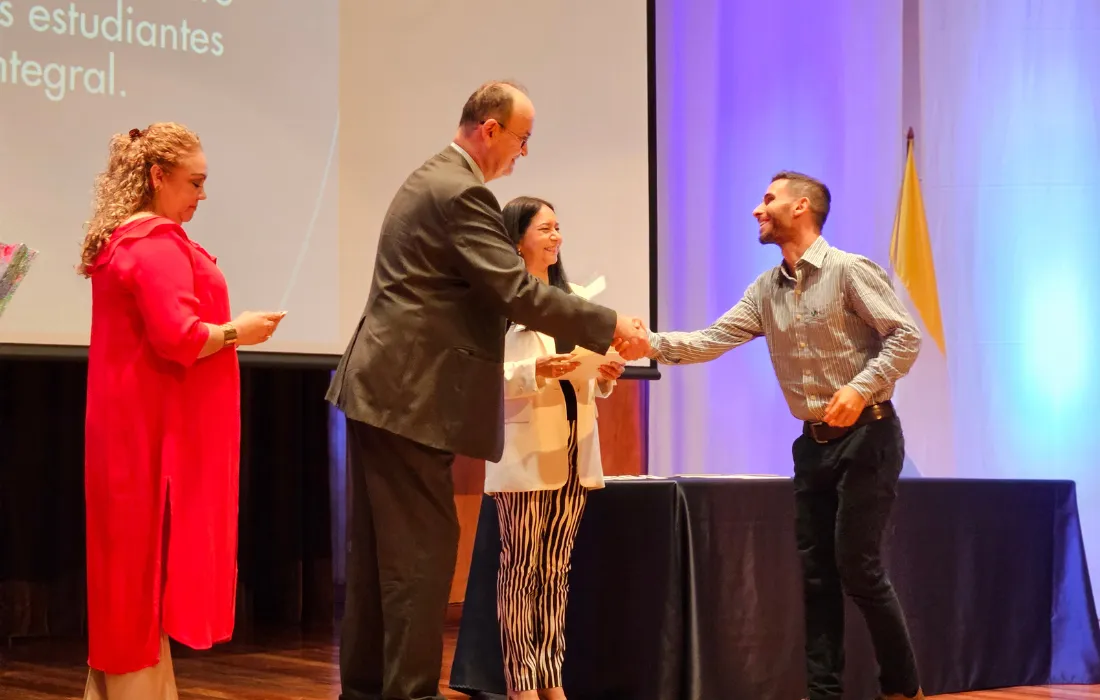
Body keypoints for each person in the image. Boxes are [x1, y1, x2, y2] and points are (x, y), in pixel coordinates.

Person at [326, 81, 647, 700]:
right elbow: (516, 293)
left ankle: (365, 691)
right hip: (408, 396)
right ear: (491, 130)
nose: (522, 154)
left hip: (383, 389)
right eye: (522, 140)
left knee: (378, 563)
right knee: (419, 562)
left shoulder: (432, 179)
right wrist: (610, 324)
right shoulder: (462, 191)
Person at [638, 171, 925, 700]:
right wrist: (643, 342)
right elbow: (709, 341)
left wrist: (860, 389)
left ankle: (903, 690)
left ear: (802, 208)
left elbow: (905, 337)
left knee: (856, 566)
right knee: (817, 577)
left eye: (768, 199)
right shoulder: (766, 290)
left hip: (870, 437)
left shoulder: (848, 271)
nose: (757, 209)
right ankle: (824, 694)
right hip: (812, 444)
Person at [78, 122, 286, 700]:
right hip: (153, 433)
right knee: (140, 567)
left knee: (129, 569)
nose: (201, 194)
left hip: (131, 427)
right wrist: (236, 331)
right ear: (157, 177)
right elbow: (180, 337)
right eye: (194, 182)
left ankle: (130, 687)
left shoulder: (125, 241)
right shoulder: (154, 243)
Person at [487, 197, 624, 700]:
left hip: (574, 449)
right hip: (524, 455)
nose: (555, 237)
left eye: (558, 228)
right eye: (545, 228)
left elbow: (585, 381)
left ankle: (551, 678)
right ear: (516, 238)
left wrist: (604, 375)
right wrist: (533, 372)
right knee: (521, 571)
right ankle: (520, 683)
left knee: (556, 571)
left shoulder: (572, 299)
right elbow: (475, 380)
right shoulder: (496, 305)